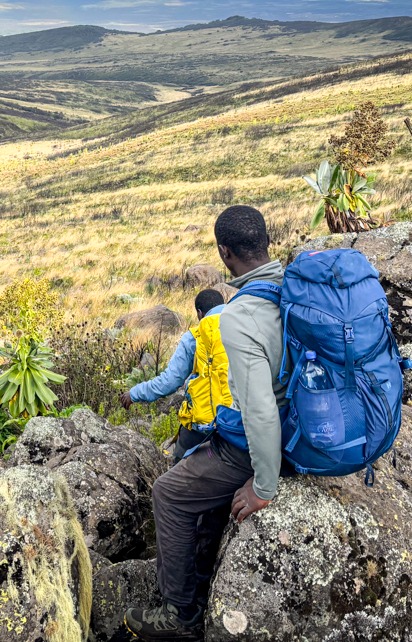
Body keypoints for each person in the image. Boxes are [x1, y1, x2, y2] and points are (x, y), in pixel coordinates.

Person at [124, 205, 287, 641]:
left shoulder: (239, 317)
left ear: (224, 251)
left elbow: (258, 411)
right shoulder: (291, 287)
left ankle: (180, 614)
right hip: (306, 425)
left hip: (260, 447)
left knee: (169, 492)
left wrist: (264, 486)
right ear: (265, 242)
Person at [119, 288, 228, 463]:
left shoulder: (195, 337)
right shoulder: (245, 324)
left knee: (179, 467)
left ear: (199, 313)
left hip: (206, 423)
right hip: (242, 420)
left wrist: (134, 393)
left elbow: (170, 382)